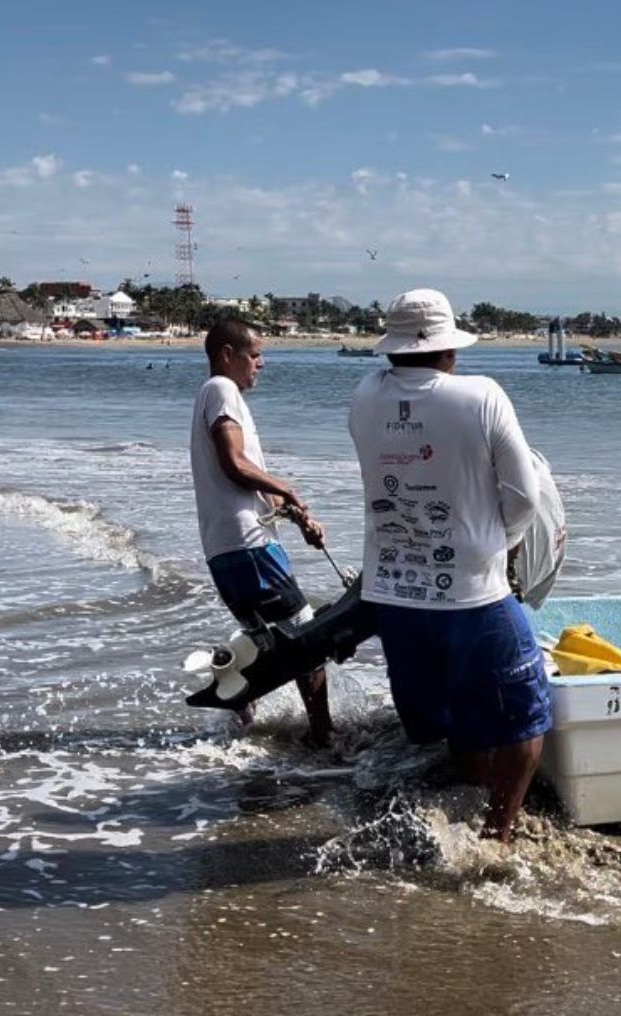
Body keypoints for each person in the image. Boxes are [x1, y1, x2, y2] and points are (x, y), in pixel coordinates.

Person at [348, 288, 549, 841]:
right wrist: (499, 542)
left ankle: (466, 805)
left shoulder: (364, 396)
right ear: (449, 349)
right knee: (526, 717)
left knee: (459, 715)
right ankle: (495, 837)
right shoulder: (482, 396)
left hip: (392, 596)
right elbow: (525, 496)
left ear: (391, 348)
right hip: (471, 594)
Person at [190, 317, 335, 748]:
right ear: (226, 356)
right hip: (249, 545)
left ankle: (240, 720)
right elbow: (234, 466)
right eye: (254, 355)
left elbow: (252, 484)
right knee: (305, 639)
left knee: (267, 645)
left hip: (223, 547)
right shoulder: (221, 391)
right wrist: (288, 486)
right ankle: (324, 738)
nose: (261, 364)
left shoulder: (215, 396)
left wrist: (297, 514)